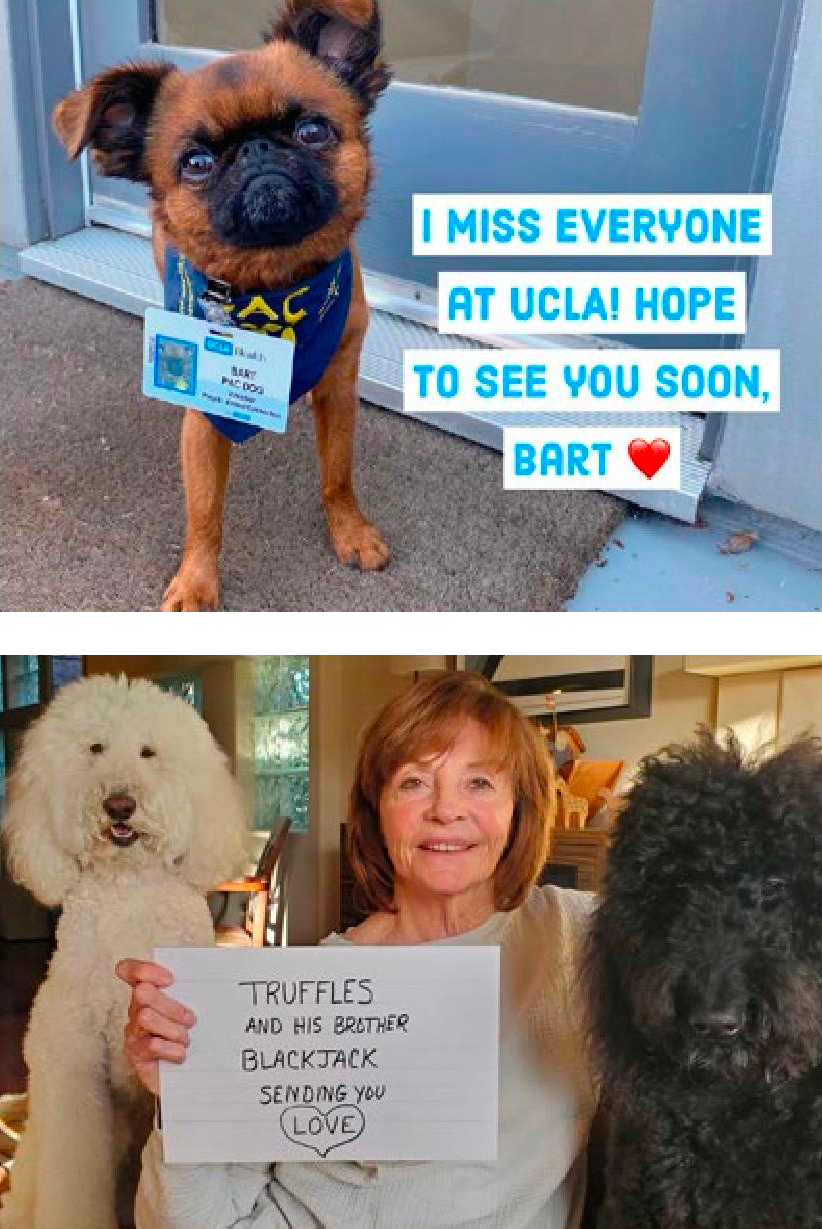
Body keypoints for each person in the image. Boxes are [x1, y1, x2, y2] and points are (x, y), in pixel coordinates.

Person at [118, 671, 599, 1229]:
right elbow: (190, 1222)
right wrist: (181, 1096)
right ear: (376, 810)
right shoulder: (303, 991)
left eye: (481, 783)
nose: (446, 810)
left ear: (521, 809)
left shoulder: (577, 937)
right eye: (414, 783)